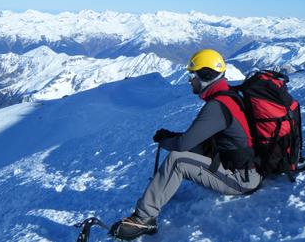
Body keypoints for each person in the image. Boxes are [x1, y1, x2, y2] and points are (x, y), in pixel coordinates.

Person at [110, 49, 262, 240]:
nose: (190, 80)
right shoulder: (227, 96)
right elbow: (195, 139)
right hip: (243, 166)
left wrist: (166, 140)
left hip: (242, 179)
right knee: (184, 152)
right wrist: (172, 137)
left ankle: (143, 219)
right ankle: (161, 190)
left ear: (206, 76)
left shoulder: (217, 106)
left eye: (193, 74)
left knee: (177, 160)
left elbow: (182, 145)